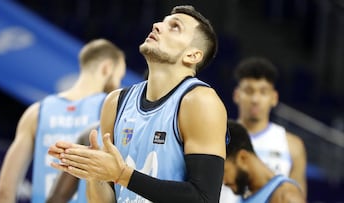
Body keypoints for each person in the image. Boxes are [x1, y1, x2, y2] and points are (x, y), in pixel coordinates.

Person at [48, 5, 228, 203]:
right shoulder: (115, 102)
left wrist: (122, 174)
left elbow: (205, 198)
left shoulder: (199, 101)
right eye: (162, 21)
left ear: (192, 55)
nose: (157, 25)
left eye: (175, 26)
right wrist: (95, 173)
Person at [0, 38, 126, 203]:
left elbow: (4, 192)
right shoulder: (112, 110)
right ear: (107, 68)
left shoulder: (36, 112)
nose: (118, 83)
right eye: (119, 76)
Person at [220, 57, 307, 202]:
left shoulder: (292, 145)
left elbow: (298, 195)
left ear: (274, 98)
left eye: (263, 91)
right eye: (248, 91)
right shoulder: (217, 136)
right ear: (236, 95)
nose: (255, 99)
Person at [224, 119, 305, 203]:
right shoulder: (249, 193)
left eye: (224, 171)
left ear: (242, 158)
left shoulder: (286, 197)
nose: (224, 181)